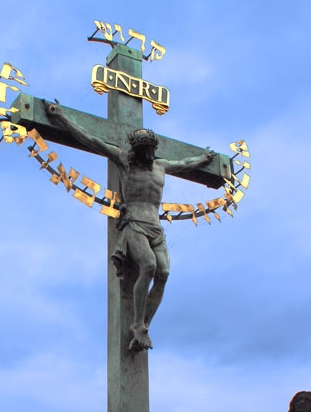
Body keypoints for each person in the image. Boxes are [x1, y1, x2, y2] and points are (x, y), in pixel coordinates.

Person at [45, 101, 214, 350]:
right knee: (148, 265)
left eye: (149, 149)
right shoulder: (125, 161)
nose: (147, 153)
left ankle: (144, 324)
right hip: (134, 222)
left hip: (155, 227)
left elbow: (187, 164)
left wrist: (205, 158)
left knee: (164, 273)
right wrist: (61, 118)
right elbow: (91, 139)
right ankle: (137, 324)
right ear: (136, 149)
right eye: (143, 149)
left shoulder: (161, 166)